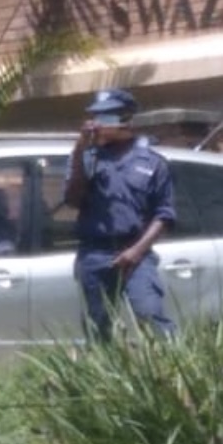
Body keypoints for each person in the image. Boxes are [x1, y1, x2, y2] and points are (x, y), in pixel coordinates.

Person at [63, 87, 176, 340]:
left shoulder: (152, 161)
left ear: (125, 118)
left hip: (136, 253)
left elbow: (164, 214)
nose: (98, 124)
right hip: (94, 253)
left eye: (106, 117)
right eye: (95, 117)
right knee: (97, 329)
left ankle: (172, 375)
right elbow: (72, 199)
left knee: (150, 315)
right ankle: (102, 377)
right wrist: (81, 149)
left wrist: (136, 252)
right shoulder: (87, 157)